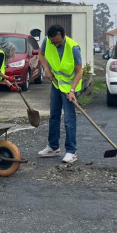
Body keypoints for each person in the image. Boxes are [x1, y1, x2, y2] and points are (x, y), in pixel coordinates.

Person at [37, 24, 83, 164]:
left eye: (58, 42)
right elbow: (40, 54)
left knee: (69, 119)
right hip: (57, 84)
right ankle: (53, 147)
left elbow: (79, 71)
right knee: (54, 115)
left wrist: (72, 91)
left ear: (63, 36)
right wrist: (46, 69)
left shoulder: (73, 47)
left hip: (70, 88)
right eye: (53, 42)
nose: (55, 44)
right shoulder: (47, 41)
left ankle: (71, 151)